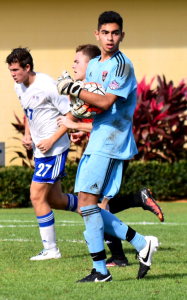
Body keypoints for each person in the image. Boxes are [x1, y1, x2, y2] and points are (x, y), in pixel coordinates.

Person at [57, 11, 160, 282]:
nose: (110, 38)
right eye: (105, 32)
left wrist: (73, 88)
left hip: (112, 142)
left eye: (115, 33)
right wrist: (80, 122)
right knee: (85, 205)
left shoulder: (122, 65)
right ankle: (137, 246)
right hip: (98, 138)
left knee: (89, 204)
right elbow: (94, 105)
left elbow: (105, 102)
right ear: (97, 34)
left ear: (122, 35)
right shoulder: (93, 66)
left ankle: (105, 269)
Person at [6, 47, 79, 261]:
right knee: (55, 199)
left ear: (28, 67)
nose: (13, 74)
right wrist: (28, 136)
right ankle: (95, 210)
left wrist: (50, 140)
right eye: (10, 70)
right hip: (40, 151)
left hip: (54, 150)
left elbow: (70, 117)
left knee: (36, 196)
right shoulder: (19, 86)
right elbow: (29, 112)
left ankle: (51, 250)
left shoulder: (48, 85)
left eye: (16, 70)